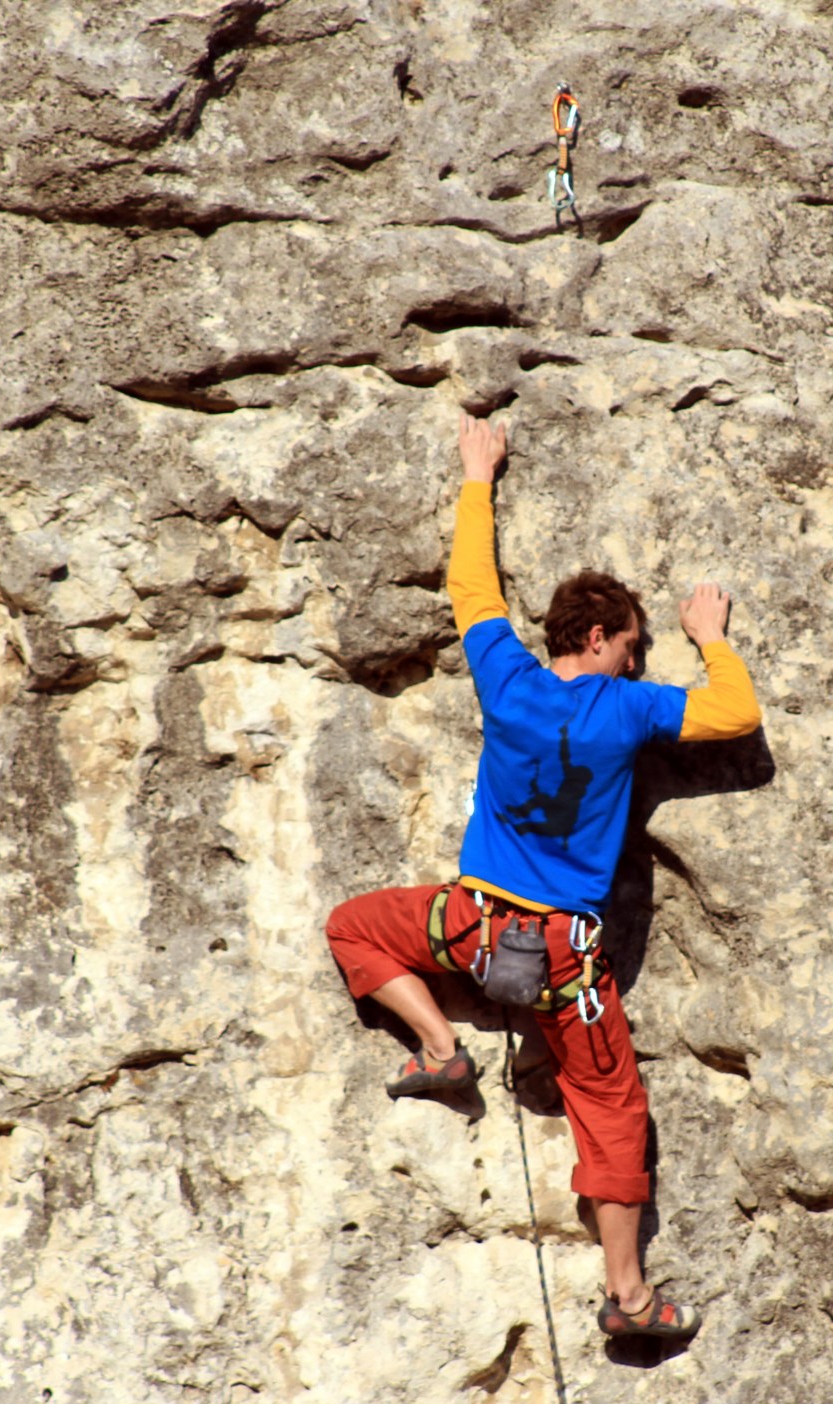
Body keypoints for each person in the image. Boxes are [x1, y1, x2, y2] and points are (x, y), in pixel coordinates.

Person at [323, 412, 762, 1340]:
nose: (640, 658)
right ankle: (629, 1299)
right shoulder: (631, 709)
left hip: (469, 927)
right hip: (566, 957)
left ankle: (440, 1048)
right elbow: (734, 713)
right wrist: (708, 635)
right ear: (600, 637)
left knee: (354, 925)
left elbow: (470, 587)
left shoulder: (507, 680)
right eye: (634, 643)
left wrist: (477, 475)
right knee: (609, 1106)